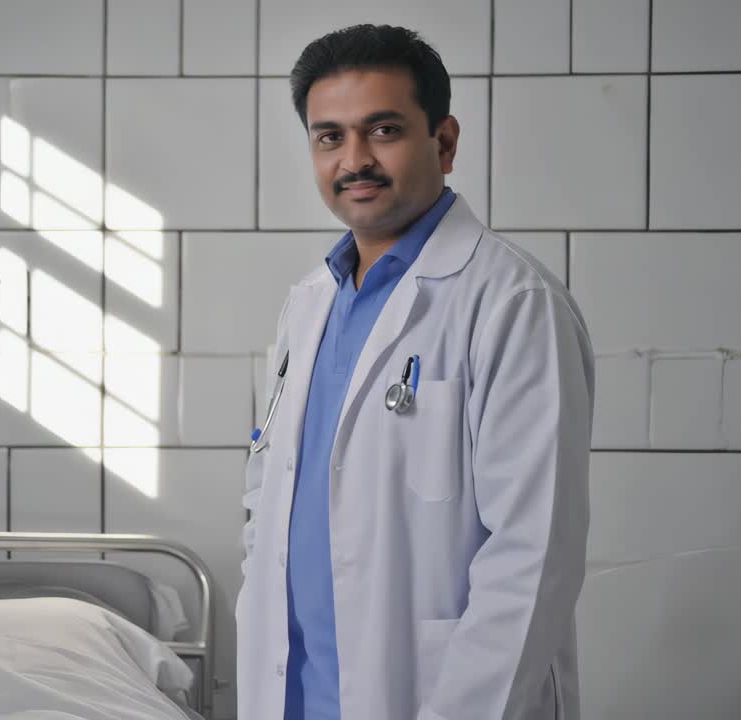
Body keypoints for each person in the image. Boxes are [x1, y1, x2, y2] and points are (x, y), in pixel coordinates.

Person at [236, 24, 595, 720]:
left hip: (439, 698)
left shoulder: (513, 304)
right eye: (329, 136)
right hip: (298, 694)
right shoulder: (309, 304)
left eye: (384, 129)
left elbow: (533, 557)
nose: (355, 159)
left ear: (445, 141)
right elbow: (267, 498)